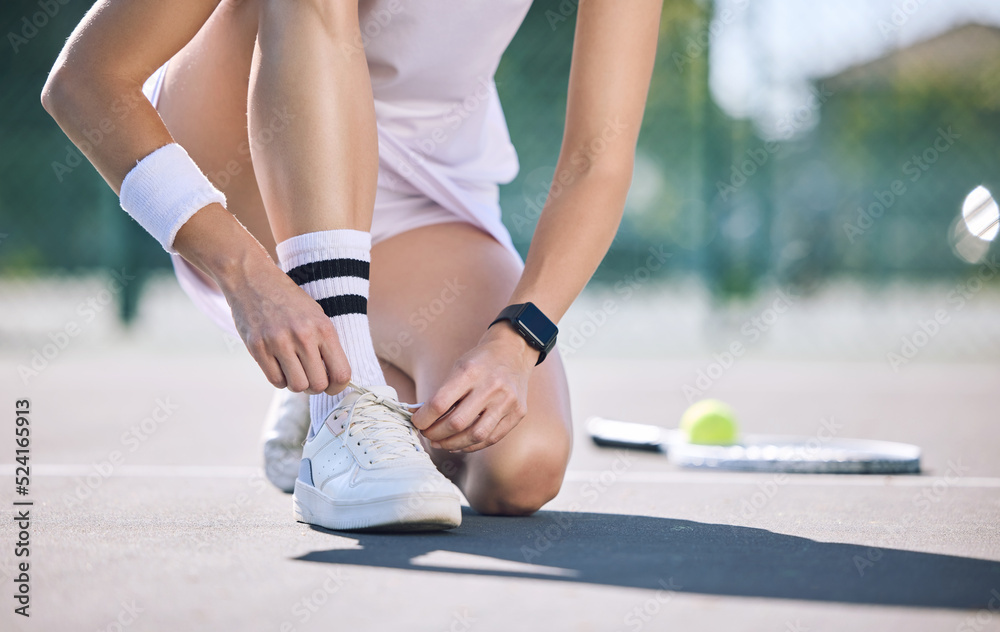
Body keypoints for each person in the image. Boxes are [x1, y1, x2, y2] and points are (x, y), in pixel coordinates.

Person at [41, 0, 663, 531]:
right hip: (239, 153)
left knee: (520, 466)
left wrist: (518, 341)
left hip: (421, 190)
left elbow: (597, 159)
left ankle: (350, 376)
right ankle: (346, 399)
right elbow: (84, 82)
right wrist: (242, 273)